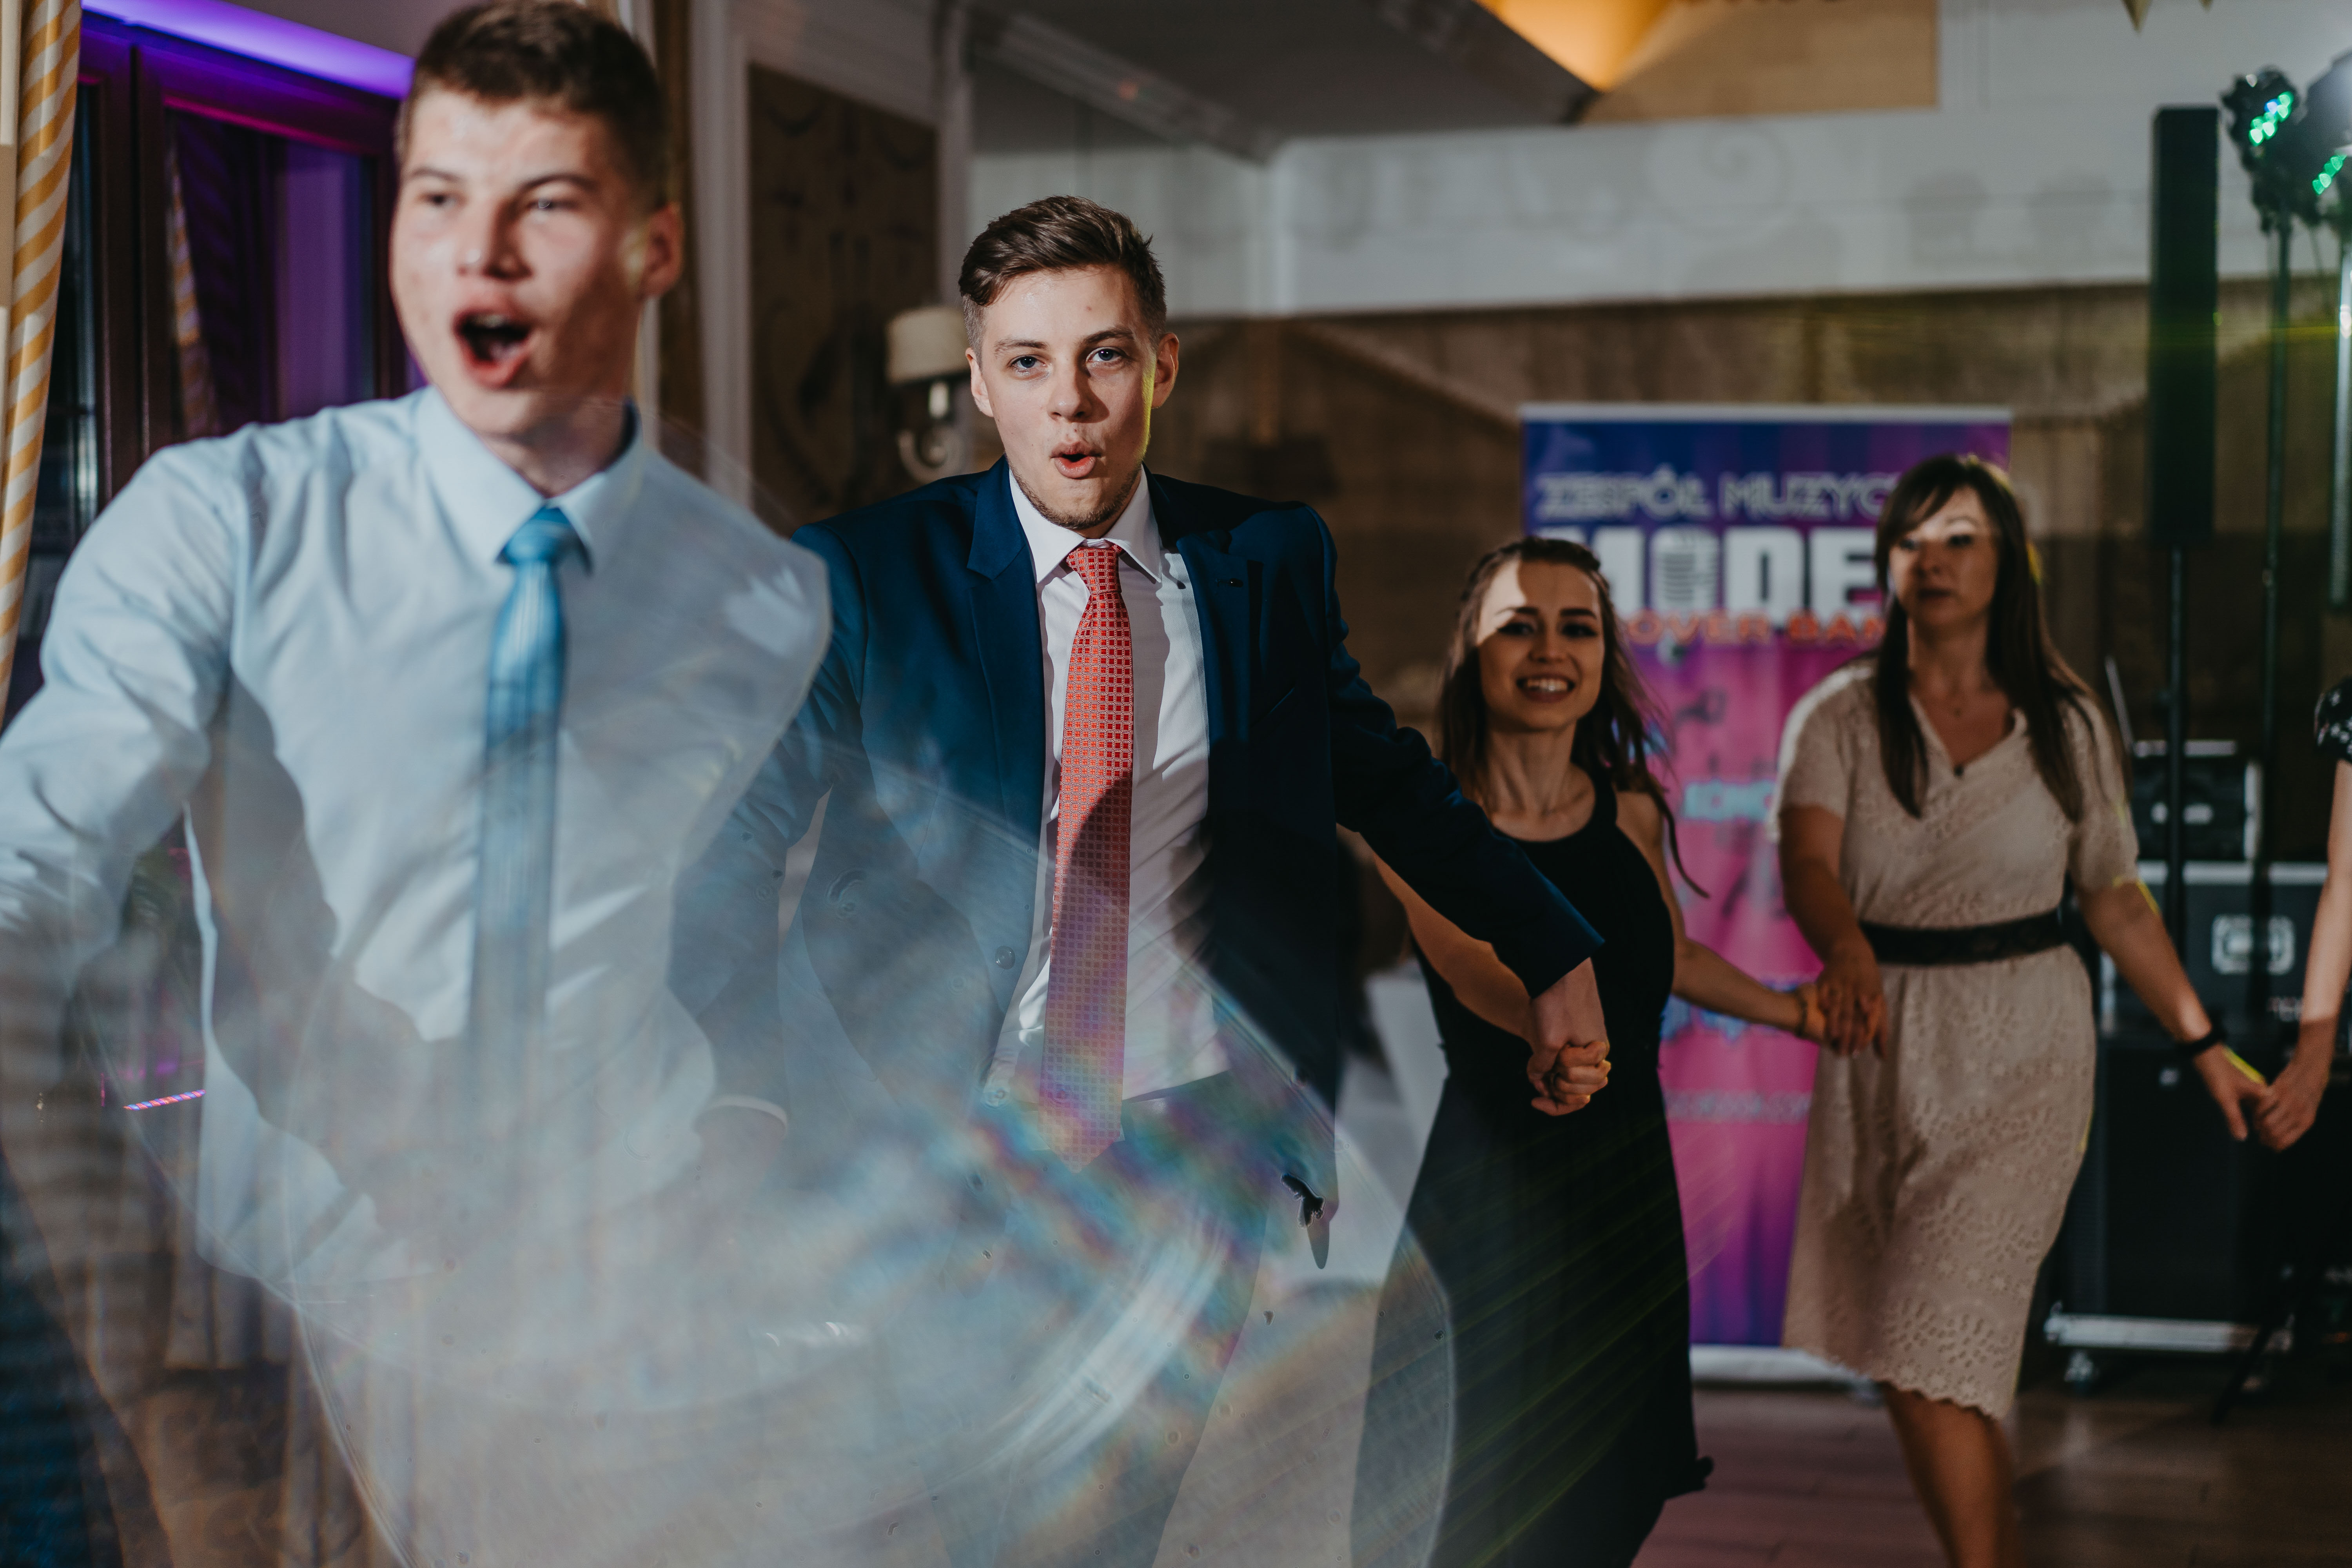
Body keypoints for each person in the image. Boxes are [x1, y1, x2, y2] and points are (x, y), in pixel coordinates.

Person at [670, 195, 1613, 1568]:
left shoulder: (1265, 561)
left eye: (1104, 356)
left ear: (1162, 366)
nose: (1071, 403)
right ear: (981, 382)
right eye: (1030, 362)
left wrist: (1555, 947)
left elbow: (1387, 781)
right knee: (999, 1523)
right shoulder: (868, 576)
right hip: (939, 1137)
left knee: (1114, 1525)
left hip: (1189, 1144)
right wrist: (742, 1094)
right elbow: (736, 841)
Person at [0, 2, 826, 1559]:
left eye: (545, 205)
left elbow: (699, 905)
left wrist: (726, 1149)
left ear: (654, 248)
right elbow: (38, 851)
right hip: (311, 1292)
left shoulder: (766, 602)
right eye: (438, 197)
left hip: (629, 1269)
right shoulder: (225, 524)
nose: (479, 257)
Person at [1772, 454, 2263, 1568]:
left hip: (2025, 1051)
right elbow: (1808, 866)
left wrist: (2204, 1044)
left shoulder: (2066, 722)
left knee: (1929, 1334)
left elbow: (2115, 897)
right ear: (1885, 564)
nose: (1932, 560)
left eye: (1960, 538)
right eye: (1911, 540)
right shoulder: (1838, 718)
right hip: (1882, 1043)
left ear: (2009, 562)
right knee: (1919, 1357)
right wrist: (1845, 944)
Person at [1360, 536, 1822, 1568]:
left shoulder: (1634, 810)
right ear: (1472, 652)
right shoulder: (1426, 820)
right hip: (1496, 1195)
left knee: (1614, 1487)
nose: (1549, 650)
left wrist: (1798, 1014)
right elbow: (1476, 968)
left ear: (1604, 657)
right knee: (1475, 1494)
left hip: (1626, 1184)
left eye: (1577, 628)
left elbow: (1676, 956)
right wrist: (1553, 1035)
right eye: (1518, 627)